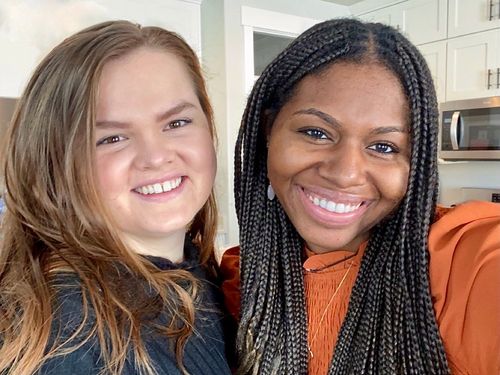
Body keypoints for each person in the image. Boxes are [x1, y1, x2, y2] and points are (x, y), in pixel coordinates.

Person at [220, 18, 500, 374]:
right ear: (268, 131)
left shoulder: (465, 262)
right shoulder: (242, 279)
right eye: (316, 132)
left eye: (384, 146)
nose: (345, 173)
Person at [0, 20, 232, 375]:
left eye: (177, 123)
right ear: (55, 165)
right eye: (112, 138)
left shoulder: (206, 276)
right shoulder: (67, 336)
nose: (155, 156)